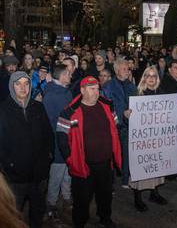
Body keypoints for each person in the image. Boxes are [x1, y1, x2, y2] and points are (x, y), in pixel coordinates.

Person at [56, 76, 122, 228]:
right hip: (83, 166)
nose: (96, 92)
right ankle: (80, 223)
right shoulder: (69, 112)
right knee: (81, 200)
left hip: (105, 164)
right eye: (92, 89)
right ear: (82, 90)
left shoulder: (107, 105)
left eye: (98, 88)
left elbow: (116, 125)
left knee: (105, 196)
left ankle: (105, 219)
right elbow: (61, 137)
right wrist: (70, 159)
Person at [0, 71, 54, 228]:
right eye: (18, 84)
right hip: (14, 178)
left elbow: (48, 135)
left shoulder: (38, 107)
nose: (23, 87)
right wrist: (8, 166)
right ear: (11, 86)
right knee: (13, 215)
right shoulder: (3, 110)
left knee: (37, 213)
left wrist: (47, 158)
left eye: (26, 83)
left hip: (38, 176)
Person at [130, 66, 168, 212]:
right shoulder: (137, 93)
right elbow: (131, 115)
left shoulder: (162, 93)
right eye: (148, 75)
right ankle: (137, 198)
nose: (151, 78)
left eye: (154, 75)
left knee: (156, 165)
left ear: (157, 78)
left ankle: (154, 193)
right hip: (142, 138)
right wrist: (128, 114)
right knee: (140, 166)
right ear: (144, 78)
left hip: (157, 136)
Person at [43, 64, 73, 220]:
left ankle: (67, 199)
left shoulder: (65, 92)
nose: (70, 76)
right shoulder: (52, 95)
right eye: (68, 73)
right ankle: (51, 204)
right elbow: (50, 122)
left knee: (68, 173)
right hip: (57, 143)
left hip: (68, 141)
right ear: (61, 76)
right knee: (56, 176)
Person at [102, 59, 137, 188]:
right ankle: (109, 183)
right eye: (124, 69)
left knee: (127, 152)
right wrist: (120, 115)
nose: (127, 71)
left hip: (128, 126)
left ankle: (125, 179)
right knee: (110, 155)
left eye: (128, 69)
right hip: (113, 126)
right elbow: (106, 107)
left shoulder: (132, 86)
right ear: (117, 71)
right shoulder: (108, 86)